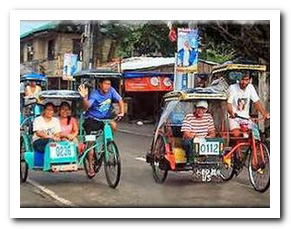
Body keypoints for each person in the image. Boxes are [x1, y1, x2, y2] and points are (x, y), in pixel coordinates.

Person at [78, 78, 124, 177]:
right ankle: (90, 166)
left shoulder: (111, 90)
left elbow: (120, 100)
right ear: (100, 84)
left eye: (109, 84)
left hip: (105, 118)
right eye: (105, 84)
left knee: (114, 125)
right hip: (92, 119)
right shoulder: (95, 94)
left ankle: (107, 144)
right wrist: (85, 97)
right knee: (91, 144)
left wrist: (122, 112)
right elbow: (87, 107)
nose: (107, 86)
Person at [227, 72, 270, 137]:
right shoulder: (232, 88)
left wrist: (263, 113)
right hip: (234, 118)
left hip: (246, 118)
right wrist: (231, 113)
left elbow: (256, 101)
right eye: (242, 80)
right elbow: (228, 103)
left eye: (246, 80)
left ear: (250, 80)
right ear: (238, 79)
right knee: (236, 134)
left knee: (255, 134)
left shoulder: (250, 87)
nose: (244, 82)